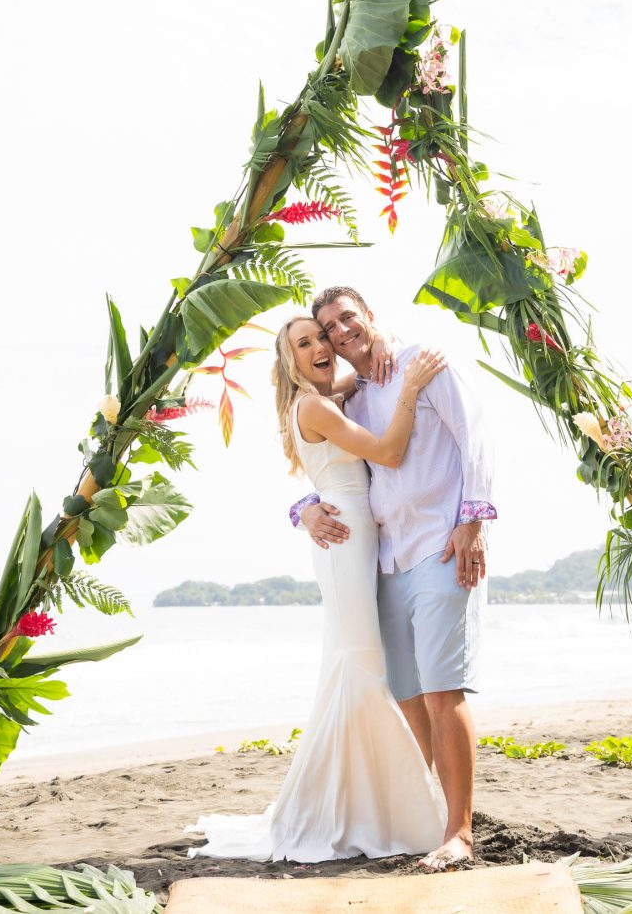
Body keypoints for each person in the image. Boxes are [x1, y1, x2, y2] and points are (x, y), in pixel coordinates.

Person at [185, 316, 448, 863]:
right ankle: (359, 808)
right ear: (292, 362)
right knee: (361, 667)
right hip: (346, 539)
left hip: (354, 536)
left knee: (355, 668)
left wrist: (385, 365)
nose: (319, 347)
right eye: (303, 344)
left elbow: (363, 379)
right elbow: (389, 453)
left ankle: (367, 800)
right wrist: (412, 390)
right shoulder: (313, 406)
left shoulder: (330, 397)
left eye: (320, 338)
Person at [291, 287, 496, 871]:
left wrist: (473, 523)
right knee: (405, 696)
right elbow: (337, 472)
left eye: (346, 317)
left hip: (440, 546)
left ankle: (459, 832)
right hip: (383, 559)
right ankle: (423, 816)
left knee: (441, 689)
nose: (339, 332)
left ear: (370, 316)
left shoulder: (423, 362)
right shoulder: (347, 399)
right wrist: (303, 509)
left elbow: (475, 440)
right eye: (328, 328)